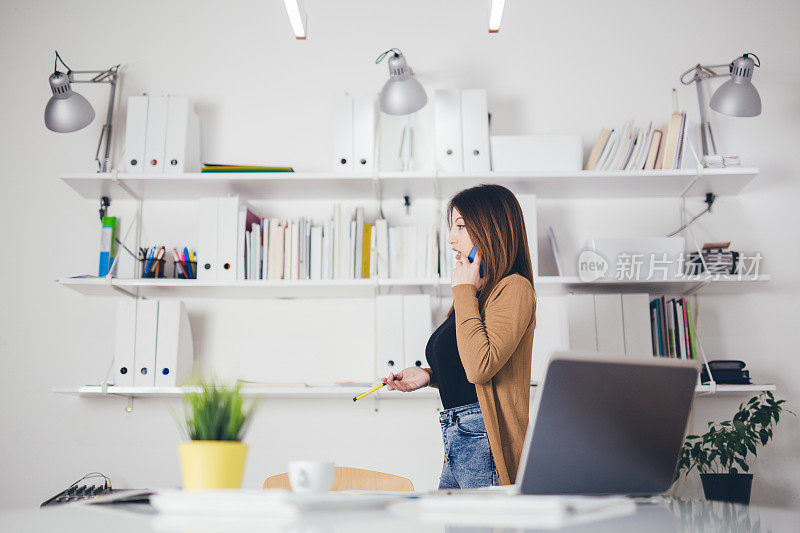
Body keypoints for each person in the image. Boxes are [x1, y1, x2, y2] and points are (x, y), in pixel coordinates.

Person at [382, 184, 536, 489]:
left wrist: (463, 291)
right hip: (459, 433)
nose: (451, 237)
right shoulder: (477, 290)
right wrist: (428, 375)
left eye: (461, 226)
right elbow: (468, 359)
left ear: (492, 229)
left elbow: (480, 367)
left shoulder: (513, 288)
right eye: (452, 226)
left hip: (484, 436)